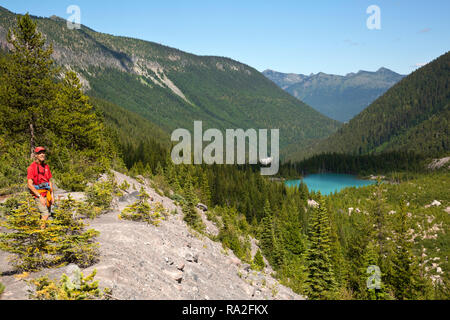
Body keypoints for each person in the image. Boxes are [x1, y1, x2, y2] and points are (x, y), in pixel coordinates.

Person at [27, 146, 54, 228]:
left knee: (46, 214)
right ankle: (41, 235)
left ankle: (42, 231)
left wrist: (52, 195)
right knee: (45, 214)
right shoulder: (32, 167)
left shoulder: (46, 166)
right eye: (39, 153)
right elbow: (29, 184)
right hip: (38, 195)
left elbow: (49, 181)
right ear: (36, 155)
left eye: (43, 153)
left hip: (47, 194)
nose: (42, 154)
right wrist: (39, 196)